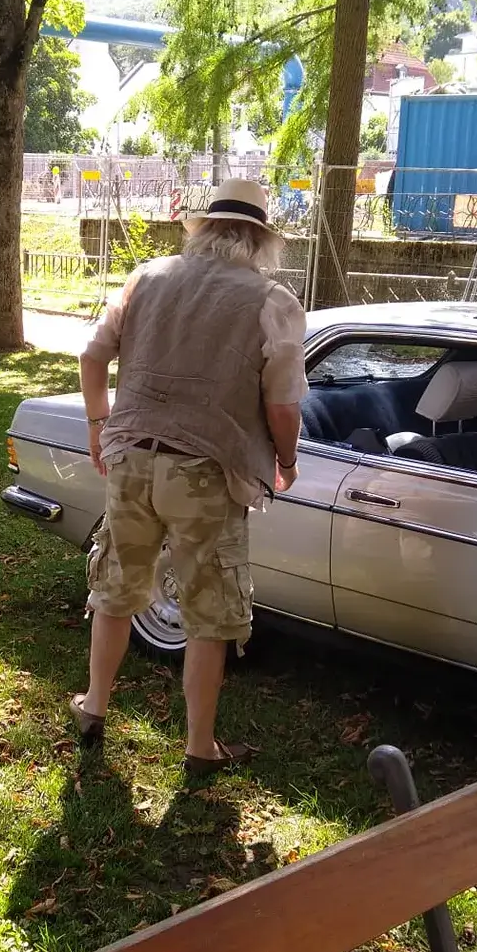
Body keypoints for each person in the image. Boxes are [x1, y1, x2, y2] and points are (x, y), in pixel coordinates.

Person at [70, 177, 307, 775]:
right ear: (260, 241)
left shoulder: (147, 277)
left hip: (131, 459)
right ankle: (200, 747)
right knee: (209, 612)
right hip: (207, 471)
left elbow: (92, 357)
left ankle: (94, 707)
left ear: (202, 230)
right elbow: (282, 406)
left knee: (117, 588)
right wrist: (285, 461)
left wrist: (99, 426)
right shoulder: (272, 301)